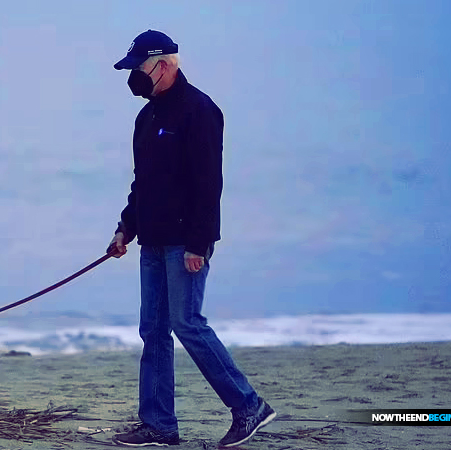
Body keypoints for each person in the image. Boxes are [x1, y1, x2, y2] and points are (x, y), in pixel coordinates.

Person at [107, 29, 276, 447]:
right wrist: (125, 226)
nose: (134, 78)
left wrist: (200, 244)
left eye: (139, 69)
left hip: (186, 242)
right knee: (153, 330)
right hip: (152, 242)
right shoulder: (145, 118)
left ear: (164, 65)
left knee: (188, 324)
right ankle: (159, 424)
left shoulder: (200, 111)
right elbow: (141, 183)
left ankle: (248, 405)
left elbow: (207, 184)